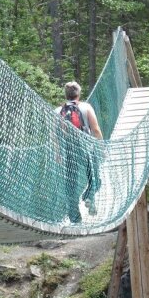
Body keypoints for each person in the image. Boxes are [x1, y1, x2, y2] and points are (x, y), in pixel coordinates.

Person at [55, 81, 103, 223]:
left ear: (66, 94)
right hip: (87, 148)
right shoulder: (86, 107)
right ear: (78, 94)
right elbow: (95, 129)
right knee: (95, 178)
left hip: (69, 150)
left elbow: (55, 135)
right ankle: (88, 196)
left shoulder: (57, 111)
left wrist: (58, 153)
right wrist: (100, 146)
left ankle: (75, 219)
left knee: (71, 185)